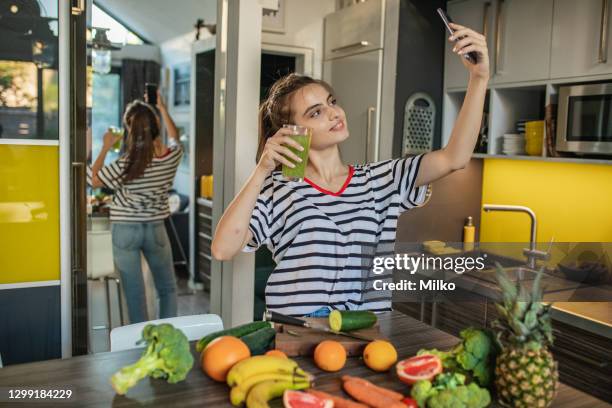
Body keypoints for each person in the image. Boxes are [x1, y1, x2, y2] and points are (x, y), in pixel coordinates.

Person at [212, 22, 489, 317]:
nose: (334, 113)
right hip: (295, 334)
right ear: (291, 131)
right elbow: (223, 250)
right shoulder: (276, 190)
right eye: (316, 112)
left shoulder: (382, 180)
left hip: (366, 335)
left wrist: (479, 77)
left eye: (331, 102)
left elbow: (454, 158)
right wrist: (262, 169)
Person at [91, 91, 182, 323]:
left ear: (129, 130)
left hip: (125, 230)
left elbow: (95, 179)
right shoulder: (170, 158)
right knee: (167, 288)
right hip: (155, 229)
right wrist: (161, 107)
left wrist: (105, 147)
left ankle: (139, 347)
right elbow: (175, 138)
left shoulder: (124, 164)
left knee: (135, 294)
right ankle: (164, 339)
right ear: (155, 126)